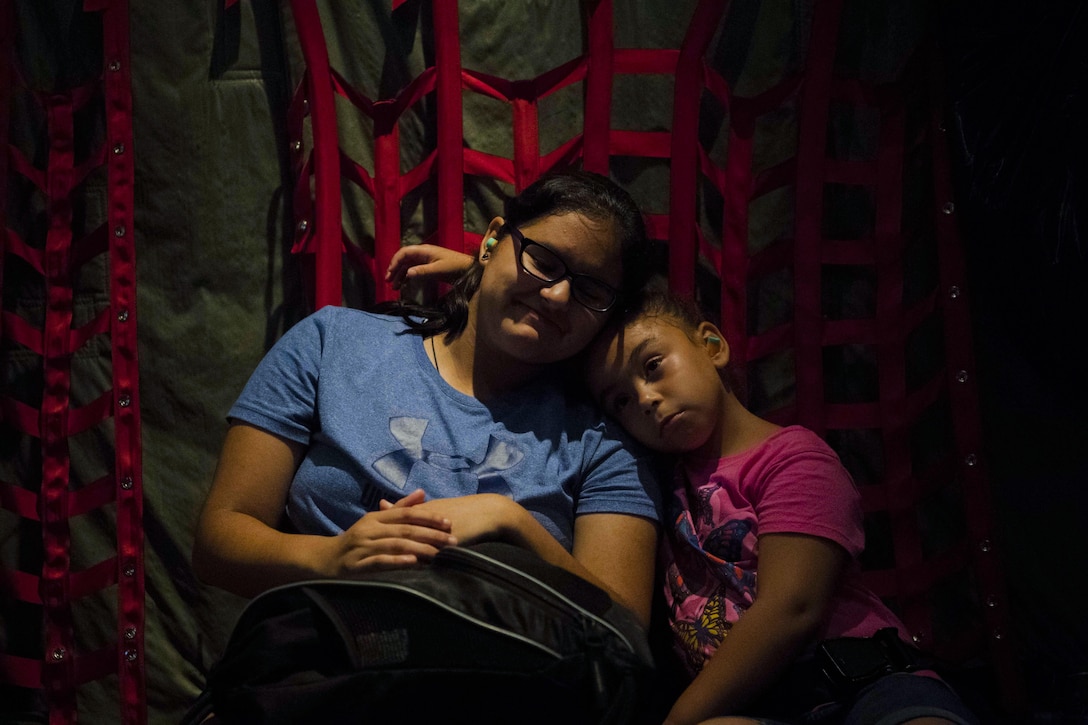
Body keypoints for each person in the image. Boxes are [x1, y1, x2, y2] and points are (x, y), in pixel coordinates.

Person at [191, 170, 662, 629]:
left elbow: (623, 633)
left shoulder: (602, 443)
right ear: (493, 239)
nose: (559, 296)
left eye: (591, 289)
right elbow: (218, 542)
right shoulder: (333, 342)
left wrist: (511, 522)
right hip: (324, 672)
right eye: (544, 261)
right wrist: (330, 557)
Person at [580, 287, 980, 725]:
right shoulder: (652, 481)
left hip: (859, 680)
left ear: (711, 346)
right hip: (761, 706)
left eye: (653, 366)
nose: (645, 399)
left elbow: (791, 609)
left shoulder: (793, 457)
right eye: (620, 400)